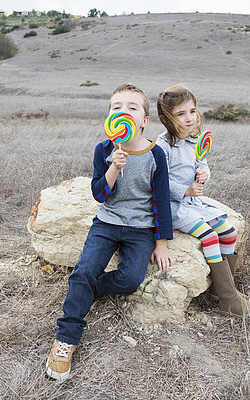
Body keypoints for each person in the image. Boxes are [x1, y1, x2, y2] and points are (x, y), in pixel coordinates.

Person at [46, 83, 174, 381]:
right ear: (109, 118)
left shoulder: (156, 155)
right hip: (107, 222)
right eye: (116, 107)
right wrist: (113, 168)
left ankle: (85, 287)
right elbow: (99, 195)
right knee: (86, 268)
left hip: (140, 229)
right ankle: (66, 338)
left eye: (132, 107)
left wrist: (162, 242)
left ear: (144, 120)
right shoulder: (104, 149)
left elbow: (161, 201)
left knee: (130, 279)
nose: (123, 111)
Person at [155, 85, 250, 318]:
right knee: (210, 237)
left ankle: (220, 290)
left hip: (195, 205)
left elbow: (201, 165)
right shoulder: (163, 147)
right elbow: (158, 183)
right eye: (180, 114)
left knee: (229, 232)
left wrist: (204, 173)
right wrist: (186, 189)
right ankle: (228, 299)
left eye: (192, 111)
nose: (189, 118)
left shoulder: (195, 142)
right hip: (175, 208)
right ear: (165, 118)